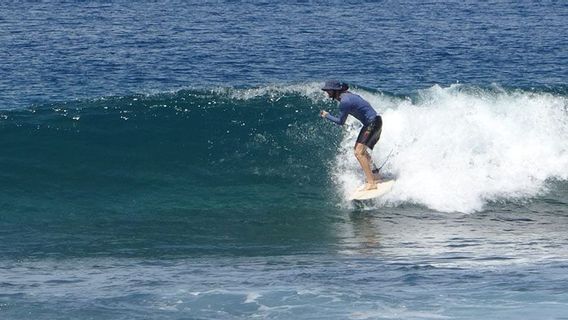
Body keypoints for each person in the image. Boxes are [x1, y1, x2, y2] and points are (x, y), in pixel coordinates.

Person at [320, 80, 383, 190]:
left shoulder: (345, 101)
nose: (327, 93)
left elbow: (341, 122)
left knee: (359, 153)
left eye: (328, 90)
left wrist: (327, 115)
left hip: (372, 123)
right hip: (375, 121)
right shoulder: (348, 95)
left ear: (335, 91)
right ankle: (375, 174)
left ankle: (371, 183)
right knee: (360, 151)